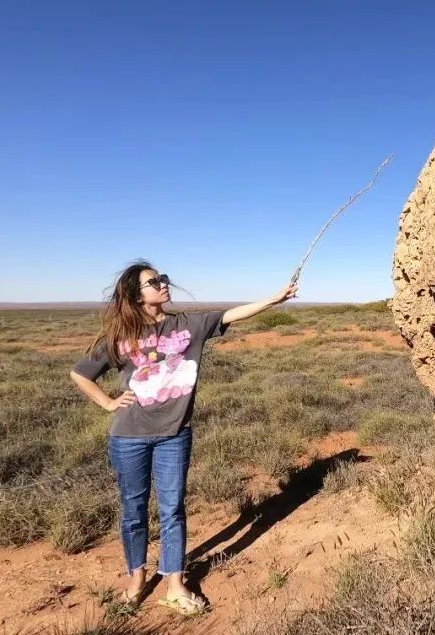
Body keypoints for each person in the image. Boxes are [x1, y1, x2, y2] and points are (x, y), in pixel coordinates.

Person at [70, 260, 296, 615]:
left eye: (162, 279)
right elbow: (81, 374)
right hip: (129, 436)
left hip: (174, 435)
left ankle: (175, 583)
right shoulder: (121, 336)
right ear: (136, 294)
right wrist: (108, 403)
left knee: (172, 509)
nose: (162, 284)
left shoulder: (188, 325)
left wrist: (273, 299)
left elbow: (231, 314)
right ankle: (137, 579)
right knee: (133, 511)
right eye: (152, 282)